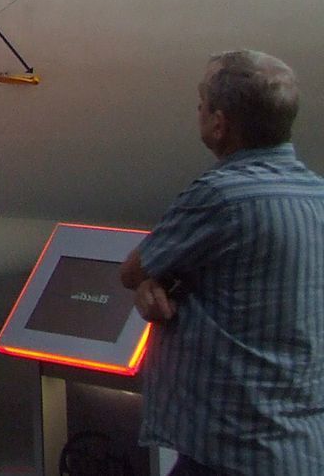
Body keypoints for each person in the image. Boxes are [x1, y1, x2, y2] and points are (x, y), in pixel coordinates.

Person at [119, 50, 324, 475]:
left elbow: (134, 270)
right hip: (300, 448)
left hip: (228, 451)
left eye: (202, 103)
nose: (199, 111)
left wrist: (151, 283)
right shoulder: (318, 196)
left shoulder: (220, 196)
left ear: (219, 122)